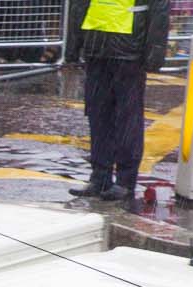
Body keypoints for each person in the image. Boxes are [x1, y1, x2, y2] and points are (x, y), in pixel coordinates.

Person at [72, 0, 170, 203]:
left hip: (129, 49)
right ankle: (100, 177)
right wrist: (74, 45)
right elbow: (80, 4)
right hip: (98, 45)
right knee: (98, 115)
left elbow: (159, 8)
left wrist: (156, 49)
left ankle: (125, 181)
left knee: (127, 118)